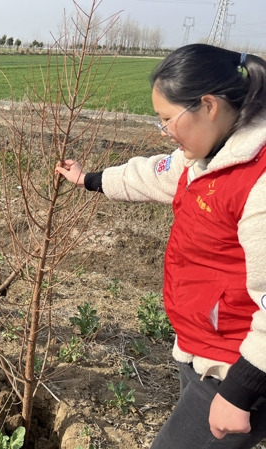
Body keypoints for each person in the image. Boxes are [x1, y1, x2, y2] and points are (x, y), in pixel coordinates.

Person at [56, 44, 266, 448]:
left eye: (168, 119)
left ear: (208, 106)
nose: (166, 131)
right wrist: (89, 179)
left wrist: (240, 392)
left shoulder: (257, 180)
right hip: (202, 347)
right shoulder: (206, 157)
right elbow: (152, 173)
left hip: (237, 368)